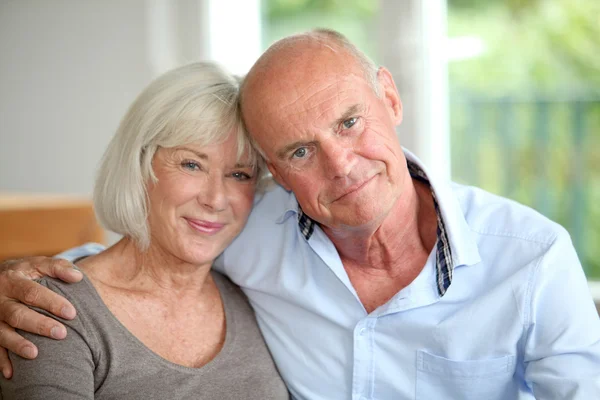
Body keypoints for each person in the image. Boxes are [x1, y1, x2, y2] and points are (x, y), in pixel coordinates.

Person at [1, 29, 599, 399]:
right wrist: (21, 280)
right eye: (300, 151)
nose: (340, 166)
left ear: (389, 98)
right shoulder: (251, 229)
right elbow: (147, 260)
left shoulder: (532, 259)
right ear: (275, 172)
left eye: (349, 121)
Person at [0, 61, 288, 399]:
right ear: (139, 165)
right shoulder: (52, 308)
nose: (216, 199)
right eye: (192, 164)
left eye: (240, 174)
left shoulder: (259, 295)